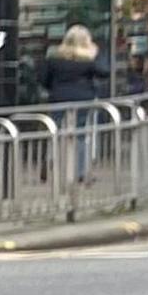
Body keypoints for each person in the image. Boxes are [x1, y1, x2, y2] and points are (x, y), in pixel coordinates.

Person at [44, 23, 108, 181]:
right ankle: (80, 172)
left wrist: (54, 89)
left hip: (59, 97)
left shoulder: (54, 58)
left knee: (55, 131)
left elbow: (44, 79)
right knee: (80, 135)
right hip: (82, 98)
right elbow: (104, 72)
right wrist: (95, 53)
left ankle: (48, 162)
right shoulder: (87, 60)